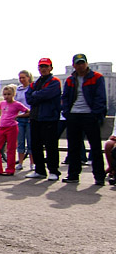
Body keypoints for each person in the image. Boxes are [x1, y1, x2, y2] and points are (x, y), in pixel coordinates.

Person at [60, 53, 107, 185]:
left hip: (89, 115)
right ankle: (73, 175)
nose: (80, 66)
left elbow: (101, 98)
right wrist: (67, 113)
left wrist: (95, 114)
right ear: (74, 65)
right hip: (74, 115)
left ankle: (99, 176)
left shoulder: (97, 77)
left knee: (96, 147)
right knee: (73, 147)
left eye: (82, 63)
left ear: (86, 64)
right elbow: (65, 97)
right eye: (78, 63)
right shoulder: (70, 80)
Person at [25, 58, 62, 181]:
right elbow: (28, 98)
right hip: (35, 117)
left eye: (46, 66)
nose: (43, 69)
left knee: (51, 146)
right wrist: (38, 95)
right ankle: (39, 170)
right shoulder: (34, 84)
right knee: (36, 145)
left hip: (49, 118)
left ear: (51, 67)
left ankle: (53, 171)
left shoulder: (55, 82)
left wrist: (36, 95)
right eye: (41, 67)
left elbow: (47, 94)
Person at [0, 85, 29, 176]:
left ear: (13, 94)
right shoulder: (2, 103)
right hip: (2, 127)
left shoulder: (17, 104)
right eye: (5, 94)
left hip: (12, 128)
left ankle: (10, 169)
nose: (7, 96)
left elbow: (28, 111)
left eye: (9, 94)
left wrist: (18, 116)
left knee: (11, 149)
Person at [14, 70, 33, 171]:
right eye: (20, 78)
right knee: (20, 141)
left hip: (30, 117)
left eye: (23, 78)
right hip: (20, 117)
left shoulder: (32, 88)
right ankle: (20, 162)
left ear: (28, 78)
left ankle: (32, 163)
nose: (21, 80)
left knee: (31, 141)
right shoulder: (18, 90)